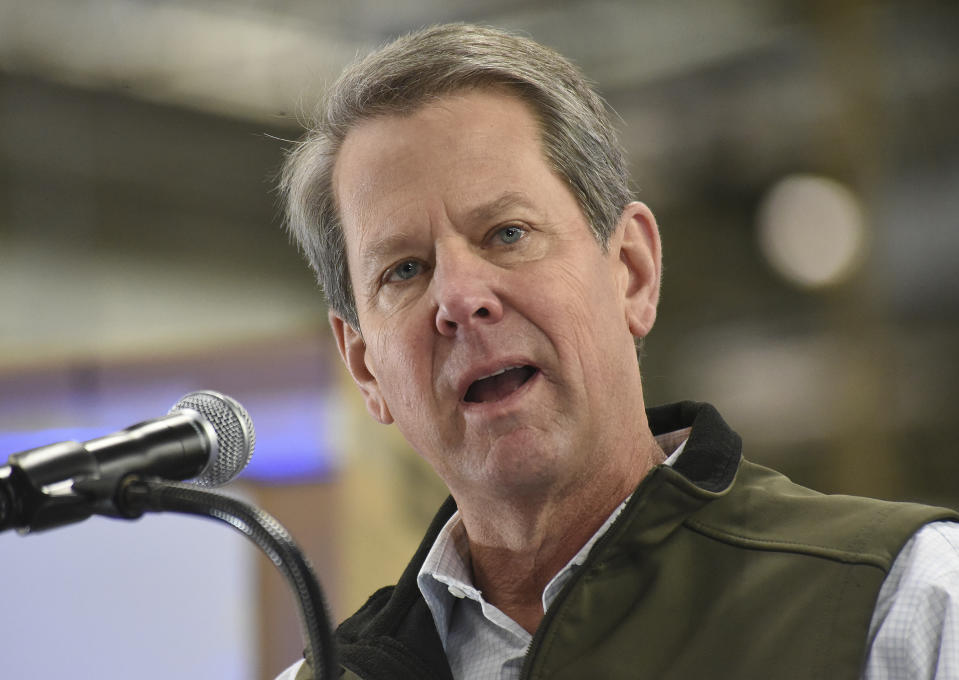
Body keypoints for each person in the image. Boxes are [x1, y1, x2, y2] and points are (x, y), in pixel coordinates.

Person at [276, 23, 959, 680]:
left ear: (630, 270)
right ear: (365, 367)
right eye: (403, 270)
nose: (459, 298)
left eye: (506, 233)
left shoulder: (902, 603)